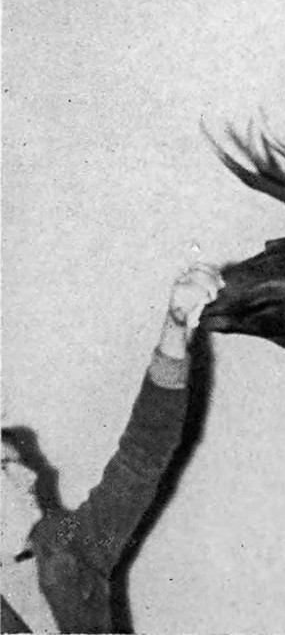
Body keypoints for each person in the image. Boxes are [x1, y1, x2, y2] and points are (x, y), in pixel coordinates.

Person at [1, 263, 224, 633]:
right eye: (4, 466)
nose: (29, 477)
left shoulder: (67, 545)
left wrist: (176, 326)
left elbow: (142, 455)